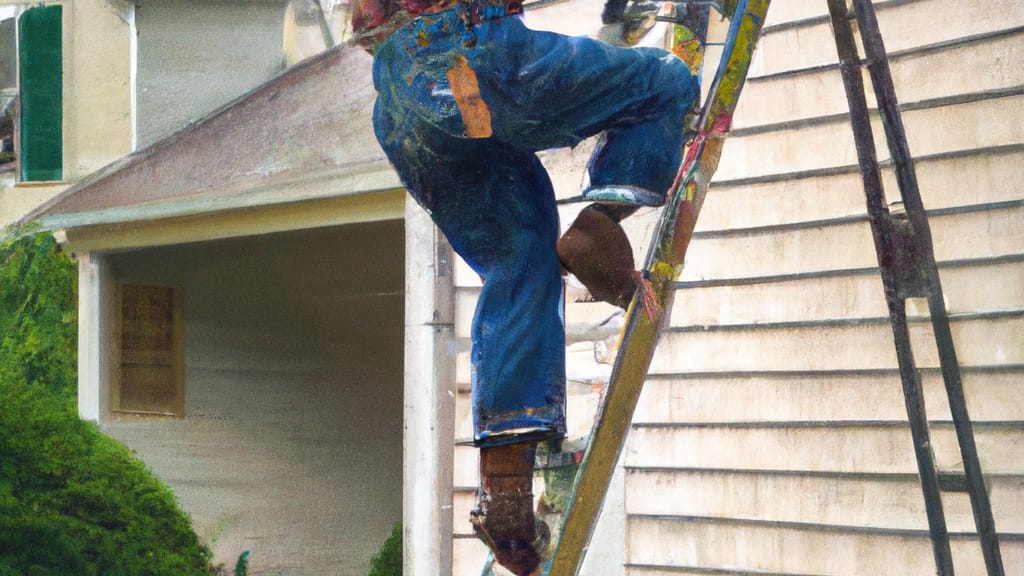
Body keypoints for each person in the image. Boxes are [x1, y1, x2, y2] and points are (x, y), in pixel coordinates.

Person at [353, 1, 698, 573]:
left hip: (400, 97)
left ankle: (505, 492)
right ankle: (602, 221)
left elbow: (369, 25)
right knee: (665, 81)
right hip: (478, 57)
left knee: (520, 261)